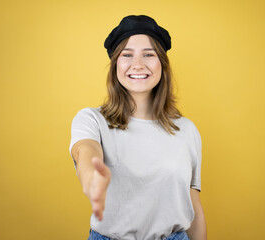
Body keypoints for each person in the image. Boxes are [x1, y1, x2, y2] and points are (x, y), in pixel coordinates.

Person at [69, 15, 207, 240]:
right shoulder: (92, 120)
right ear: (116, 65)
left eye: (149, 54)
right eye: (127, 55)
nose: (138, 64)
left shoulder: (186, 130)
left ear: (162, 63)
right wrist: (91, 175)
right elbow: (85, 149)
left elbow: (194, 207)